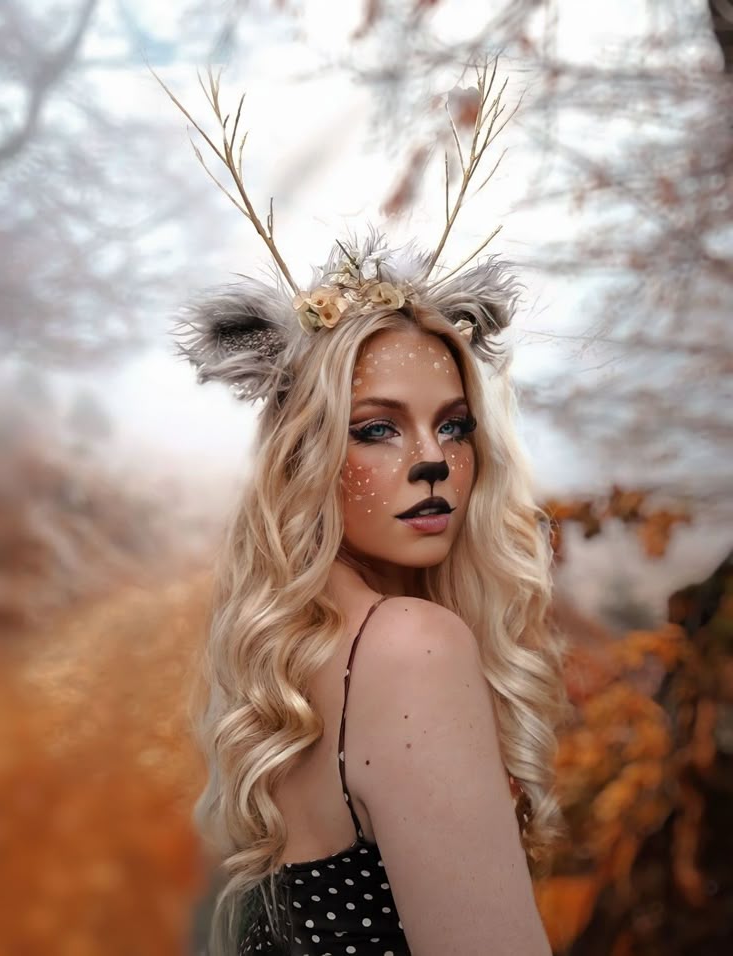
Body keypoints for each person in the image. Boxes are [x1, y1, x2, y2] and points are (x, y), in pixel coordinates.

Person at [167, 65, 568, 956]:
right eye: (377, 429)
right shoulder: (411, 649)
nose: (432, 459)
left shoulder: (302, 665)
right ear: (307, 455)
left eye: (454, 426)